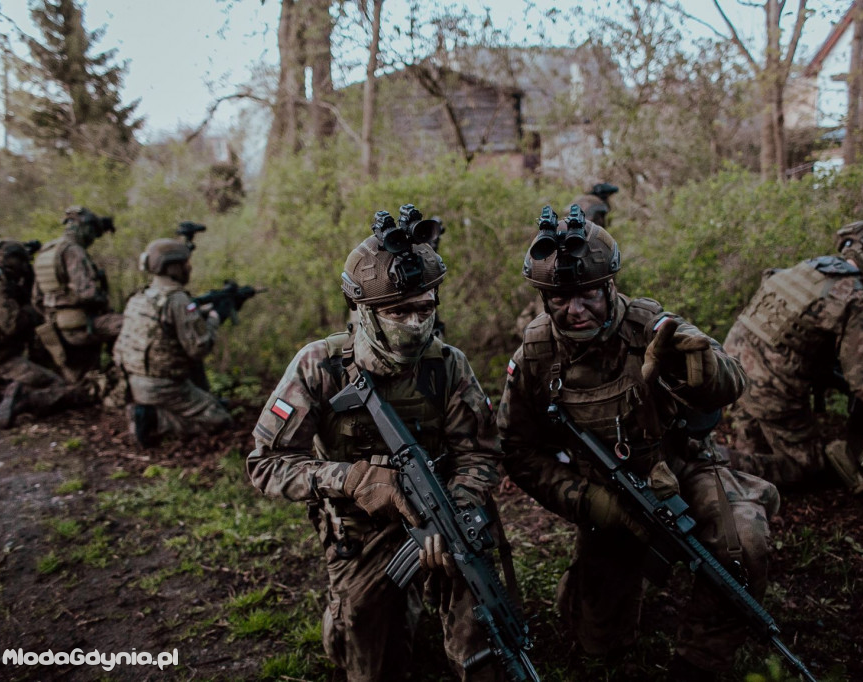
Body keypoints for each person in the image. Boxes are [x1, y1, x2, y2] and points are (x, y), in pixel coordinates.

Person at [498, 205, 778, 681]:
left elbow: (733, 383)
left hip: (682, 466)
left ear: (609, 285)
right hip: (606, 491)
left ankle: (700, 660)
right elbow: (518, 451)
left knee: (742, 543)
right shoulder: (535, 356)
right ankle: (587, 583)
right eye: (560, 298)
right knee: (597, 641)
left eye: (587, 294)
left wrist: (703, 368)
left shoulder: (651, 325)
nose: (575, 309)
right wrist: (590, 502)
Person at [246, 205, 504, 681]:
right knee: (369, 657)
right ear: (363, 310)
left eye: (424, 309)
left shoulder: (448, 365)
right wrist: (349, 478)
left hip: (444, 515)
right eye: (397, 311)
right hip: (361, 531)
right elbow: (265, 464)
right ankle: (365, 612)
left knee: (488, 629)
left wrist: (460, 511)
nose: (414, 324)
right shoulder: (320, 366)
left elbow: (481, 452)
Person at [721, 220, 863, 492]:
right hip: (769, 389)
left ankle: (722, 464)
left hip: (729, 372)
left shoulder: (806, 269)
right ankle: (709, 464)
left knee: (753, 447)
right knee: (808, 465)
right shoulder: (859, 298)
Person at [0, 235, 94, 428]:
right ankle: (25, 401)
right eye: (22, 261)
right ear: (11, 260)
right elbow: (13, 325)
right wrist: (34, 307)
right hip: (0, 358)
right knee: (59, 385)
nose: (24, 266)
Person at [113, 238, 232, 447]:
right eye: (185, 263)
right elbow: (199, 348)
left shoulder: (140, 296)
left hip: (134, 382)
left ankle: (148, 410)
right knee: (220, 420)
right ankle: (155, 420)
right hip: (164, 386)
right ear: (173, 267)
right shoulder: (177, 300)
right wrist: (214, 318)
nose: (189, 268)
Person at [32, 205, 123, 382]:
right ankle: (124, 374)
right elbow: (87, 294)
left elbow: (36, 299)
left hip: (57, 328)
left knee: (82, 382)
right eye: (93, 233)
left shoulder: (46, 252)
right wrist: (104, 302)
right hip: (81, 325)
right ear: (85, 228)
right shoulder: (74, 251)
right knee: (129, 324)